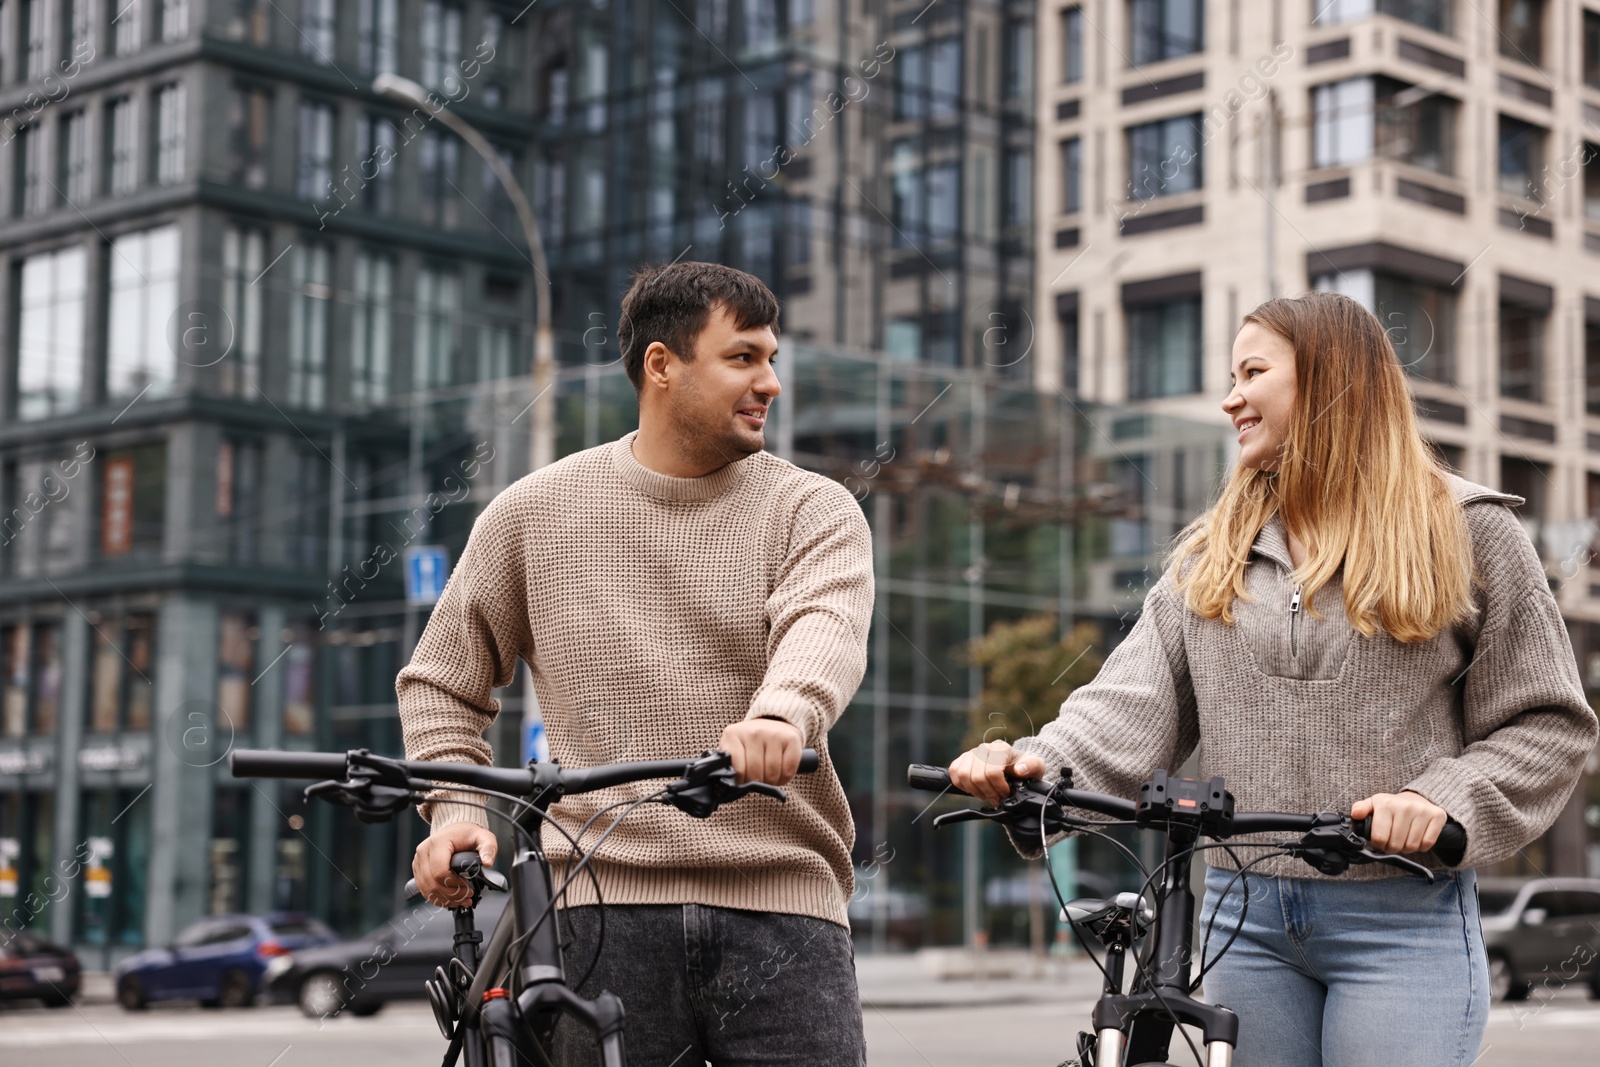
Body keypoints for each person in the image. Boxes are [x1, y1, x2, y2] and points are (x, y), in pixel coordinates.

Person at [948, 291, 1598, 1066]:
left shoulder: (1469, 530)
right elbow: (1129, 706)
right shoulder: (1214, 549)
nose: (1231, 398)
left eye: (1252, 372)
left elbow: (1548, 723)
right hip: (1238, 918)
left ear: (1328, 381)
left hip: (1397, 919)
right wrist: (1037, 765)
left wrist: (1440, 800)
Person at [396, 261, 871, 1065]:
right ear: (662, 365)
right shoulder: (531, 512)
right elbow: (443, 682)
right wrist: (455, 810)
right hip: (597, 915)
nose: (772, 382)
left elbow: (824, 627)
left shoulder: (812, 508)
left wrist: (782, 713)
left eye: (773, 358)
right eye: (745, 357)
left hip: (782, 908)